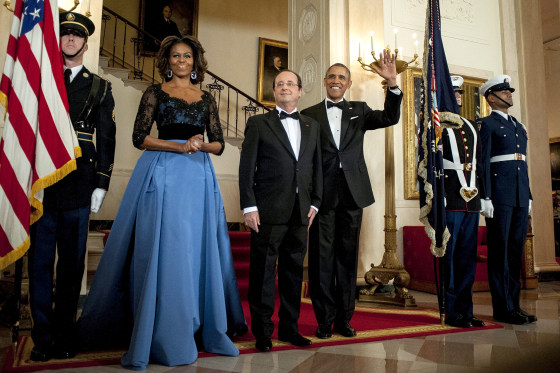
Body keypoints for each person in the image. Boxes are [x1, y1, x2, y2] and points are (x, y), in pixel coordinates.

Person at [77, 35, 247, 369]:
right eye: (175, 56)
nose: (181, 61)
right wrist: (178, 146)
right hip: (162, 171)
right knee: (167, 246)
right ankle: (160, 329)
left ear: (195, 62)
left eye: (187, 56)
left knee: (195, 247)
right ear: (167, 61)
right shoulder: (154, 93)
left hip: (198, 177)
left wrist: (199, 145)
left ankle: (200, 325)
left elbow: (220, 144)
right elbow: (139, 138)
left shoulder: (207, 98)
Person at [27, 11, 116, 362]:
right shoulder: (42, 79)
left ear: (85, 42)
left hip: (79, 183)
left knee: (71, 267)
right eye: (65, 34)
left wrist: (101, 185)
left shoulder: (99, 86)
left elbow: (106, 138)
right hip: (43, 185)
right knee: (40, 264)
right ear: (59, 39)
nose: (70, 40)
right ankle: (42, 338)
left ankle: (64, 335)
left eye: (77, 36)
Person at [300, 52, 402, 340]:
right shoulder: (309, 115)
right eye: (331, 76)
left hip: (353, 194)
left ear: (348, 84)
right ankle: (324, 321)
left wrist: (392, 83)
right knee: (321, 261)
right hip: (321, 197)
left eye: (341, 77)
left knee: (347, 259)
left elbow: (390, 117)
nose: (336, 81)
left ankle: (344, 320)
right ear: (324, 82)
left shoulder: (360, 109)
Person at [239, 69, 322, 352]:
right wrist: (249, 206)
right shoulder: (259, 123)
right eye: (280, 84)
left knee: (293, 273)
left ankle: (290, 329)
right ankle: (262, 332)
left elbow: (316, 168)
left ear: (299, 91)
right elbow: (246, 169)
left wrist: (315, 202)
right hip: (267, 211)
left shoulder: (312, 125)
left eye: (291, 83)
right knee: (262, 273)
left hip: (301, 212)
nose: (285, 87)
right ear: (274, 91)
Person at [479, 75, 536, 325]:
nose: (509, 94)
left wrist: (529, 194)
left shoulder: (518, 125)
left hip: (519, 194)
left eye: (510, 90)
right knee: (500, 252)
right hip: (499, 196)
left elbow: (522, 164)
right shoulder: (487, 125)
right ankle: (502, 308)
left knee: (515, 252)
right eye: (503, 91)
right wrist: (486, 196)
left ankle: (515, 306)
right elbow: (482, 164)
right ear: (491, 97)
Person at [440, 76, 486, 328]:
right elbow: (430, 164)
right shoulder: (436, 125)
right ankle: (451, 311)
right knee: (450, 258)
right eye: (453, 93)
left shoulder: (470, 125)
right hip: (450, 198)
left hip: (471, 199)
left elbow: (479, 163)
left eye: (459, 94)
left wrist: (484, 196)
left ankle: (466, 310)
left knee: (467, 258)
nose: (458, 97)